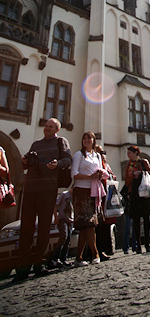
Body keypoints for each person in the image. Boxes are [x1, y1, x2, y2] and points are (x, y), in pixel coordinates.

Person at [13, 118, 71, 281]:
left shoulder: (61, 142)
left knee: (44, 225)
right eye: (46, 126)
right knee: (26, 227)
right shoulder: (36, 144)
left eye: (50, 126)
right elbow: (26, 165)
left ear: (57, 129)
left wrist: (57, 164)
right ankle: (22, 267)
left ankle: (39, 263)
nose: (47, 128)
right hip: (30, 188)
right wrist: (25, 162)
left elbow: (68, 160)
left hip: (47, 188)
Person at [71, 132, 107, 267]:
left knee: (85, 226)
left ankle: (78, 258)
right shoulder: (79, 155)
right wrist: (89, 177)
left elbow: (102, 170)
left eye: (89, 138)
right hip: (81, 192)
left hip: (93, 191)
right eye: (84, 138)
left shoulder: (97, 155)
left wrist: (100, 174)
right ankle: (95, 254)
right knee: (89, 224)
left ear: (93, 141)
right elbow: (74, 173)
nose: (86, 140)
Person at [125, 145, 150, 253]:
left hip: (144, 193)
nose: (128, 155)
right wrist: (133, 175)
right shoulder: (128, 165)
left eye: (130, 153)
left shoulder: (143, 162)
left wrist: (141, 173)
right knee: (136, 221)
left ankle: (147, 243)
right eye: (128, 154)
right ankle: (138, 245)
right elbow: (127, 181)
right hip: (134, 194)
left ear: (136, 153)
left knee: (146, 219)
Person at [94, 145, 114, 261]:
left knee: (106, 225)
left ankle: (105, 249)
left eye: (102, 152)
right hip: (98, 197)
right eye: (99, 152)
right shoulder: (95, 164)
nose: (101, 154)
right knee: (98, 225)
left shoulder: (106, 165)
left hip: (107, 198)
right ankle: (97, 250)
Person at [48, 188, 74, 268]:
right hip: (62, 218)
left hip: (70, 219)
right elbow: (55, 205)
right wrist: (56, 217)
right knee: (63, 236)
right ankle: (55, 258)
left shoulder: (75, 196)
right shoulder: (64, 194)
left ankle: (63, 258)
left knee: (68, 239)